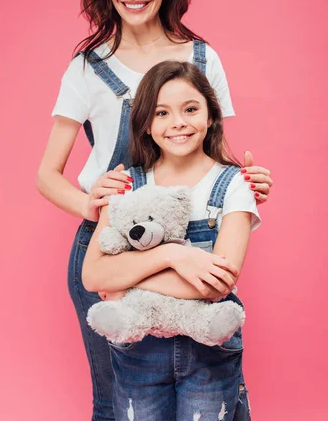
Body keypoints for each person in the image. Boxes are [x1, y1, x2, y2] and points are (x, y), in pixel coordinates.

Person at [37, 0, 273, 421]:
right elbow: (47, 174)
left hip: (197, 242)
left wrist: (245, 185)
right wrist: (97, 206)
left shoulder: (203, 58)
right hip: (112, 244)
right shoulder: (87, 68)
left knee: (218, 386)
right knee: (116, 399)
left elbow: (214, 151)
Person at [82, 60, 261, 421]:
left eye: (191, 109)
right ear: (147, 124)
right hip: (138, 355)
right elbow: (94, 276)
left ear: (211, 116)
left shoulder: (236, 184)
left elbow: (217, 284)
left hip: (209, 356)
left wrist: (126, 281)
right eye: (162, 112)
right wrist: (173, 257)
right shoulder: (126, 184)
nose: (178, 122)